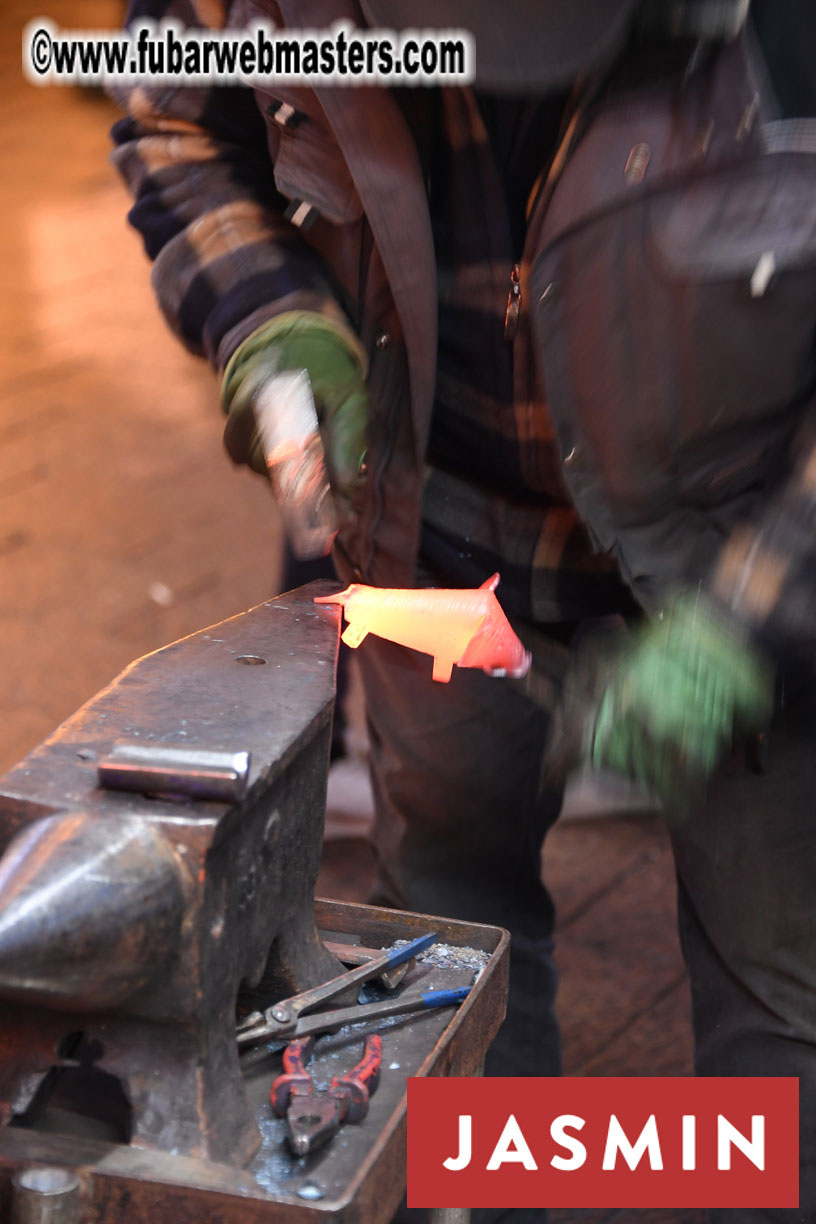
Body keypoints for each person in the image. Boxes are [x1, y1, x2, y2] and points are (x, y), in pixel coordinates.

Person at [109, 2, 816, 1219]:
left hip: (738, 544)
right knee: (454, 976)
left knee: (780, 1030)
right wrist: (263, 306)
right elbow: (176, 118)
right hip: (434, 555)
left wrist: (763, 607)